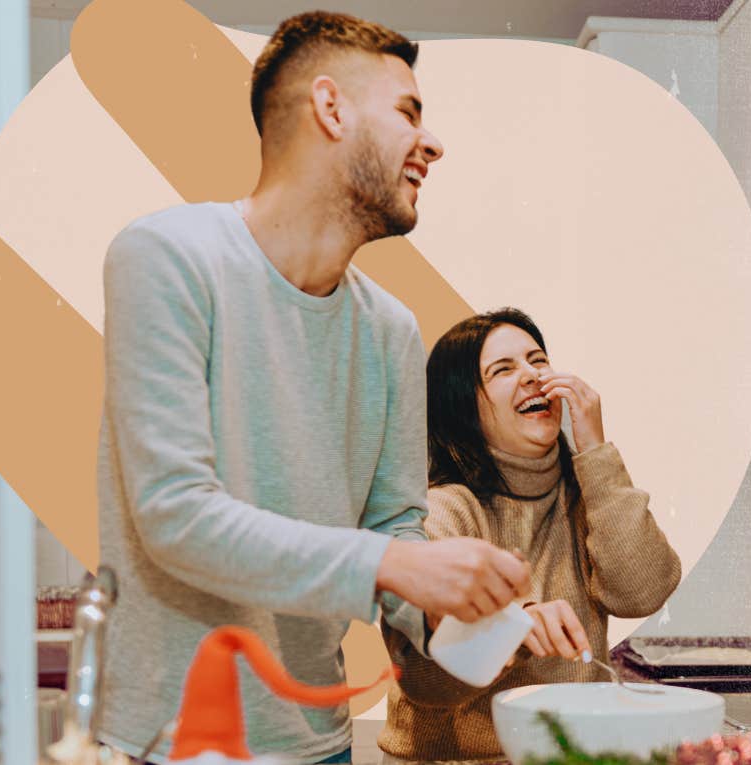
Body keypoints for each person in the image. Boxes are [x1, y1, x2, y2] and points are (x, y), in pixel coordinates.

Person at [96, 13, 530, 764]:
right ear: (330, 109)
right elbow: (174, 515)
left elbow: (396, 528)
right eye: (408, 112)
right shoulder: (165, 258)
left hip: (316, 745)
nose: (432, 144)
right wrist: (396, 565)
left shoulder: (392, 329)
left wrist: (486, 614)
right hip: (167, 743)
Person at [378, 307, 684, 763]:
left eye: (538, 360)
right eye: (504, 369)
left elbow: (641, 593)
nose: (534, 376)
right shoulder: (443, 510)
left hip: (569, 754)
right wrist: (512, 629)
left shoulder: (586, 495)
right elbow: (424, 679)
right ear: (463, 403)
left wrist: (596, 450)